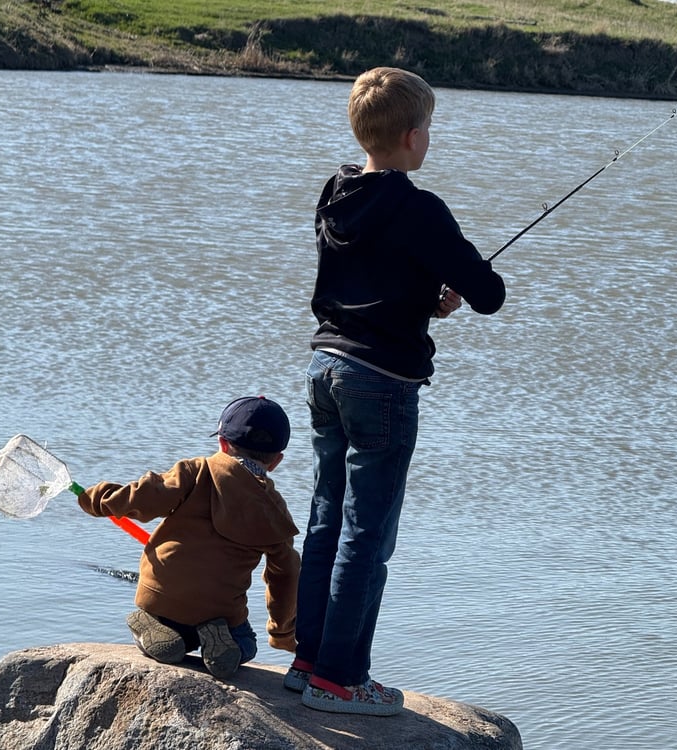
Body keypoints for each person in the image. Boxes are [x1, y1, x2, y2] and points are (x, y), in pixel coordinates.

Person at [283, 67, 506, 715]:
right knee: (366, 533)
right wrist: (452, 289)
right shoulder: (420, 207)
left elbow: (363, 276)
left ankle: (308, 660)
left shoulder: (335, 190)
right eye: (429, 129)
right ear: (412, 138)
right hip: (381, 382)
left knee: (327, 517)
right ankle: (341, 678)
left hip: (325, 366)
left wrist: (420, 300)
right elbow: (488, 295)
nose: (429, 139)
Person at [77, 396, 300, 680]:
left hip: (162, 599)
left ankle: (150, 625)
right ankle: (216, 640)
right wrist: (282, 632)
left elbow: (145, 496)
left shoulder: (196, 472)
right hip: (221, 611)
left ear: (222, 443)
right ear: (276, 461)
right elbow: (286, 574)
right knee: (246, 644)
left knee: (167, 618)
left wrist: (97, 499)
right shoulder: (275, 513)